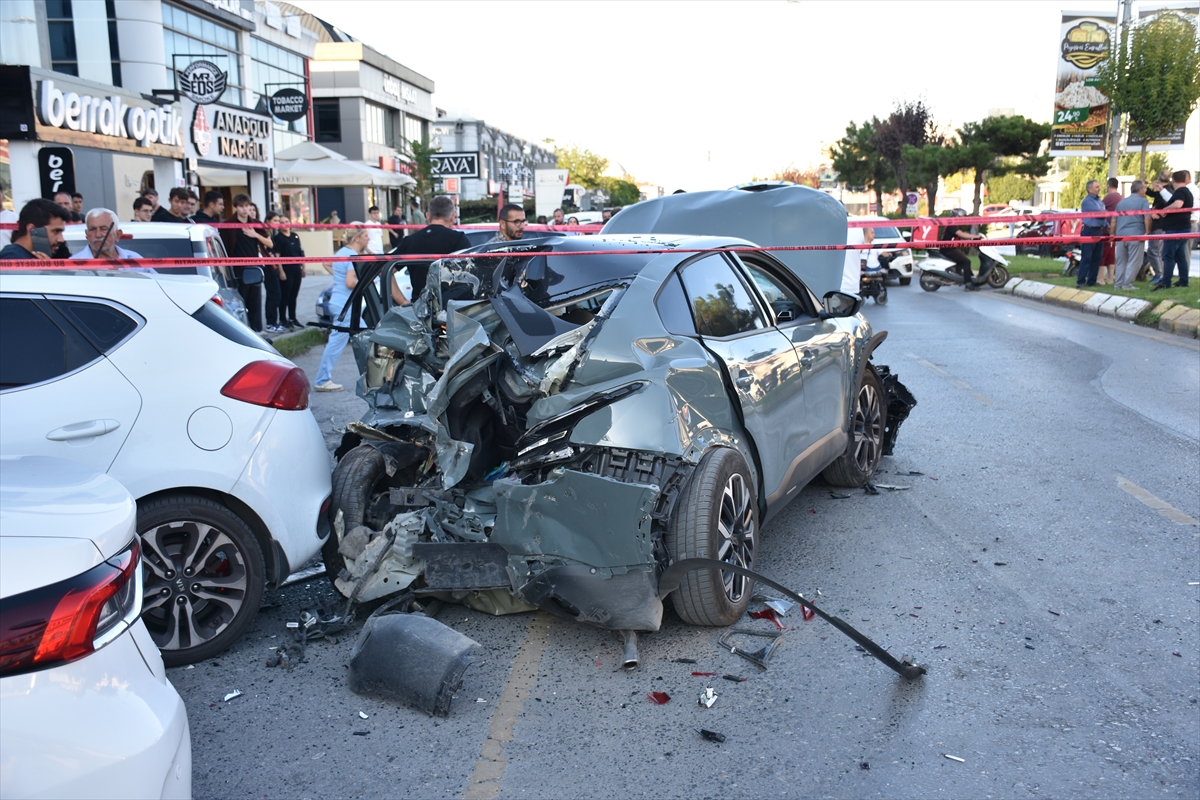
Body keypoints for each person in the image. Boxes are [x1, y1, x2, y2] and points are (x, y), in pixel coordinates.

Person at [314, 224, 370, 392]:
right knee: (361, 340)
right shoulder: (352, 255)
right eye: (366, 235)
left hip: (341, 304)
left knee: (365, 338)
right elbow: (350, 282)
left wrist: (338, 276)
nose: (369, 238)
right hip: (344, 306)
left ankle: (378, 377)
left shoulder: (342, 253)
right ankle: (322, 379)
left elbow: (327, 264)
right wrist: (368, 282)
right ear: (357, 238)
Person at [389, 194, 471, 305]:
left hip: (419, 310)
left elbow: (384, 270)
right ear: (453, 216)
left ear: (427, 216)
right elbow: (472, 273)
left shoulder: (410, 240)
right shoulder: (458, 239)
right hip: (451, 309)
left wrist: (403, 302)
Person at [220, 193, 272, 331]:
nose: (244, 209)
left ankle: (256, 330)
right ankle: (240, 331)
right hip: (237, 269)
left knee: (255, 303)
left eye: (247, 206)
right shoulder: (229, 225)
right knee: (239, 302)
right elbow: (224, 248)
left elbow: (270, 244)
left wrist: (255, 234)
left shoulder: (255, 224)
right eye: (241, 206)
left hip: (254, 268)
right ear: (236, 207)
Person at [1153, 170, 1194, 290]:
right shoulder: (1186, 192)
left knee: (1168, 256)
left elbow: (1178, 204)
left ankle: (1166, 282)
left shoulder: (1180, 192)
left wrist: (1165, 210)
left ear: (1173, 180)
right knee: (1180, 255)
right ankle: (1183, 280)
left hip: (1176, 229)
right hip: (1183, 227)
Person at [70, 208, 145, 267]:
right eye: (92, 229)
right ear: (86, 235)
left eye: (104, 229)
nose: (98, 235)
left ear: (118, 234)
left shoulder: (135, 259)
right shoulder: (72, 265)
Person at [0, 198, 70, 260]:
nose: (61, 239)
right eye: (55, 231)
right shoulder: (12, 258)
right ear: (32, 229)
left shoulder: (40, 256)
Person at [1111, 180, 1149, 290]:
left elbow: (1114, 221)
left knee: (1121, 261)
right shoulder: (1143, 202)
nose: (1146, 190)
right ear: (1139, 189)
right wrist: (1147, 232)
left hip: (1120, 236)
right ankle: (1127, 284)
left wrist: (1112, 234)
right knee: (1135, 260)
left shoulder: (1121, 203)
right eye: (1145, 188)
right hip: (1135, 235)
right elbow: (1147, 218)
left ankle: (1118, 285)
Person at [272, 216, 305, 330]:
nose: (285, 224)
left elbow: (301, 252)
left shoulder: (295, 236)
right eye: (281, 222)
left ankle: (292, 318)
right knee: (285, 295)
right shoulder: (278, 238)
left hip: (297, 269)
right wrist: (281, 271)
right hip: (287, 270)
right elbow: (277, 256)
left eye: (286, 221)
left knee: (293, 296)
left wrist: (303, 267)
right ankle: (283, 319)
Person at [940, 208, 986, 289]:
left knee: (962, 261)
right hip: (948, 249)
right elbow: (961, 234)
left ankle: (962, 278)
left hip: (949, 248)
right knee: (966, 262)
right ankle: (968, 283)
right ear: (958, 216)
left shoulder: (952, 223)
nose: (964, 218)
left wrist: (971, 237)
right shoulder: (952, 225)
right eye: (963, 217)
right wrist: (974, 236)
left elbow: (961, 235)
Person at [1078, 180, 1106, 288]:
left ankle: (1091, 281)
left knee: (1097, 257)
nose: (1099, 188)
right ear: (1090, 189)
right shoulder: (1087, 201)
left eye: (1099, 186)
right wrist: (1107, 215)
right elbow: (1099, 214)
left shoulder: (1100, 201)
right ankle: (1080, 281)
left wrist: (1106, 224)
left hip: (1099, 230)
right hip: (1089, 231)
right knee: (1086, 257)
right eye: (1096, 187)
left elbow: (1103, 215)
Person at [1144, 177, 1170, 281]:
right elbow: (1152, 194)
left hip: (1159, 226)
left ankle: (1159, 275)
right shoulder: (1161, 193)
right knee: (1158, 252)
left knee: (1154, 251)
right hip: (1161, 226)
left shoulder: (1166, 193)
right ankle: (1161, 274)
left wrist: (1155, 211)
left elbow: (1162, 204)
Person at [1098, 178, 1122, 285]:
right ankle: (1111, 278)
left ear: (1108, 186)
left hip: (1106, 230)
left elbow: (1099, 210)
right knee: (1111, 255)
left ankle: (1101, 278)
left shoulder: (1110, 197)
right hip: (1116, 231)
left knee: (1102, 254)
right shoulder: (1120, 197)